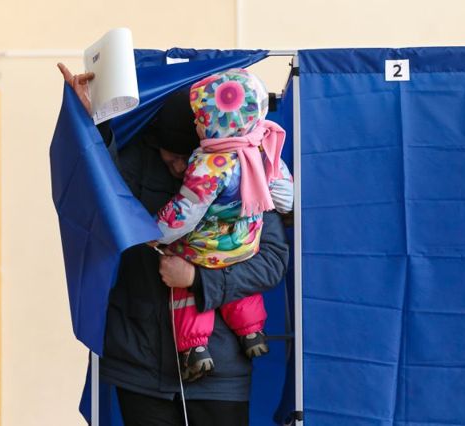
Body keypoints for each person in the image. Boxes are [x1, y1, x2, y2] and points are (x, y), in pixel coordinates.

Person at [58, 63, 289, 426]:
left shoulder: (241, 169)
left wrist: (197, 280)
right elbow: (96, 187)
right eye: (173, 157)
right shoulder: (137, 165)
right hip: (139, 363)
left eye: (189, 157)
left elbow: (273, 261)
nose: (182, 168)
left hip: (220, 369)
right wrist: (91, 122)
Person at [151, 69, 294, 381]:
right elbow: (285, 194)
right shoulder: (263, 147)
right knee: (240, 281)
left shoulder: (210, 163)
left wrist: (154, 233)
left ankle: (195, 348)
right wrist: (284, 209)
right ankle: (252, 331)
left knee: (183, 280)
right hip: (245, 243)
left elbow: (186, 211)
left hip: (206, 248)